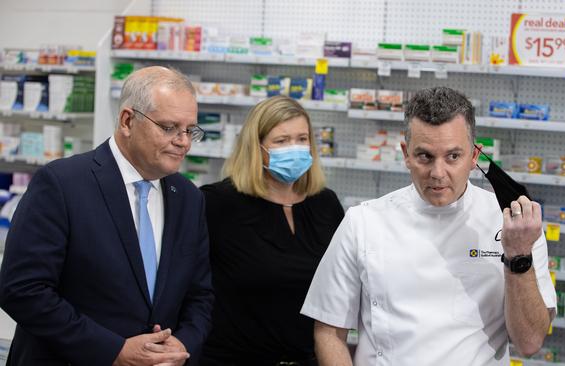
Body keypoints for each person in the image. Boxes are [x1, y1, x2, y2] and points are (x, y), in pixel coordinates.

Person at [301, 87, 557, 365]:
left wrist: (518, 255)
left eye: (452, 157)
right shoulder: (363, 222)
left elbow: (530, 342)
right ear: (406, 154)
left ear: (474, 156)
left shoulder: (514, 227)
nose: (437, 173)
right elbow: (329, 331)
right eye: (425, 156)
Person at [0, 66, 214, 365]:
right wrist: (113, 351)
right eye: (169, 128)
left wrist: (181, 345)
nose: (184, 142)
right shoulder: (63, 183)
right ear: (128, 120)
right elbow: (22, 290)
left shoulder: (189, 197)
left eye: (190, 130)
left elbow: (200, 295)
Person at [199, 95, 344, 366]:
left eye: (302, 139)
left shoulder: (326, 205)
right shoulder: (217, 204)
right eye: (281, 141)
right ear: (257, 148)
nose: (295, 148)